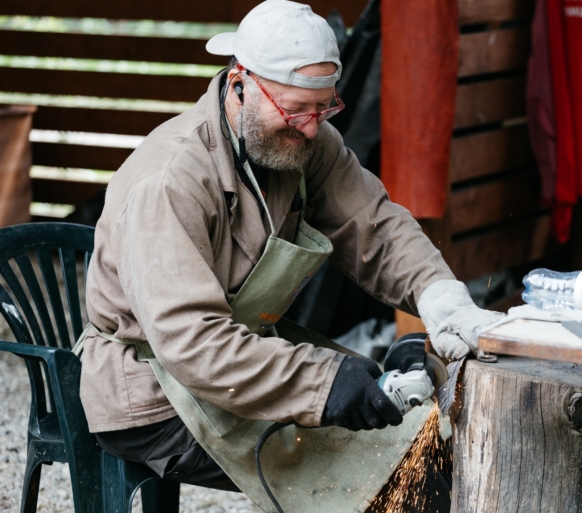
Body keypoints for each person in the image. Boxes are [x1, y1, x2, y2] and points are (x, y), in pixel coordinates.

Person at [77, 0, 503, 505]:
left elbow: (374, 225)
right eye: (295, 110)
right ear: (240, 85)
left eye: (324, 108)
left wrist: (441, 299)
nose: (309, 126)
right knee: (387, 473)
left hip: (242, 364)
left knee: (426, 436)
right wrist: (327, 382)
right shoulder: (170, 181)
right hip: (155, 394)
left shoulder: (306, 139)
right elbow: (192, 342)